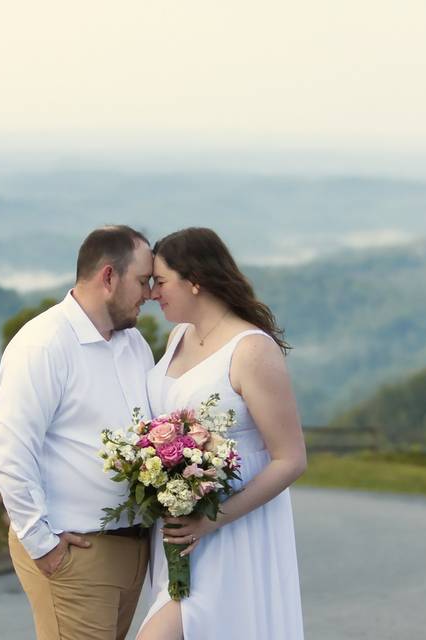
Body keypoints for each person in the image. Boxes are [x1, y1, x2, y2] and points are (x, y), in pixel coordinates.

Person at [137, 227, 307, 640]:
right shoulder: (179, 336)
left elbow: (291, 459)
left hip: (233, 529)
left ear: (194, 280)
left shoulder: (251, 349)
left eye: (160, 282)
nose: (151, 293)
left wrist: (211, 522)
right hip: (181, 526)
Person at [0, 225, 156, 640]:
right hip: (75, 552)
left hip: (133, 550)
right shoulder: (43, 345)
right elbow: (11, 452)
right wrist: (42, 544)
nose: (149, 294)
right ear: (108, 277)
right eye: (142, 281)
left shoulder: (135, 345)